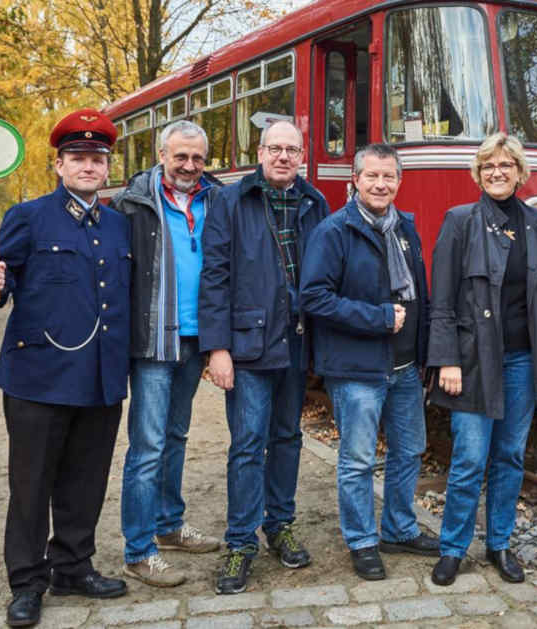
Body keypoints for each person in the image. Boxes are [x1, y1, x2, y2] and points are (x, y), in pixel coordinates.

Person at [0, 109, 130, 627]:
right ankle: (27, 582)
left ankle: (74, 567)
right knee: (32, 486)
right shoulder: (29, 217)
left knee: (85, 482)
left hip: (100, 376)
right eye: (78, 157)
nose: (88, 166)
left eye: (97, 158)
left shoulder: (120, 223)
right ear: (58, 164)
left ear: (107, 168)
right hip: (38, 378)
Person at [426, 133, 537, 587]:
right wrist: (445, 359)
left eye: (506, 165)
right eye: (488, 166)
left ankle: (500, 544)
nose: (497, 172)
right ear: (478, 174)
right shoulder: (459, 221)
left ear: (520, 172)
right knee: (469, 457)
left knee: (509, 456)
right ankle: (452, 548)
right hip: (471, 361)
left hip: (524, 360)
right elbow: (442, 299)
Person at [198, 120, 328, 594]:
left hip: (296, 341)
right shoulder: (230, 201)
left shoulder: (315, 202)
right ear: (260, 151)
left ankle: (280, 525)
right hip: (249, 344)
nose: (283, 157)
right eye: (275, 148)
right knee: (248, 443)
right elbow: (214, 278)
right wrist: (217, 349)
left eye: (292, 149)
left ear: (302, 156)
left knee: (288, 436)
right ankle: (239, 543)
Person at [300, 143, 439, 581]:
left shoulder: (405, 229)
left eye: (389, 177)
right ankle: (361, 540)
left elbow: (421, 294)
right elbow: (314, 297)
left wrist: (426, 353)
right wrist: (377, 318)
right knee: (357, 460)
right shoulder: (334, 231)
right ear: (355, 180)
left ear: (399, 181)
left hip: (403, 368)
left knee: (409, 451)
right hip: (356, 369)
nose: (381, 184)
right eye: (372, 176)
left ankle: (399, 528)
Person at [112, 120, 223, 588]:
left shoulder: (216, 199)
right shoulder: (131, 205)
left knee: (176, 436)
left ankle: (169, 524)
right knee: (148, 445)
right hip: (154, 341)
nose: (189, 166)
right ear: (162, 155)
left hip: (196, 340)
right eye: (181, 156)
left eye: (198, 158)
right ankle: (139, 550)